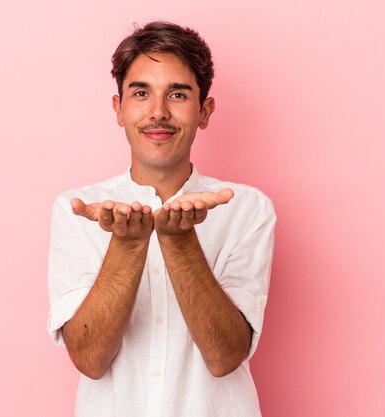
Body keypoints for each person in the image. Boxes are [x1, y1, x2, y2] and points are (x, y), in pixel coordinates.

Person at [47, 21, 276, 417]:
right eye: (141, 93)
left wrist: (180, 241)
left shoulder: (248, 209)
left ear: (204, 111)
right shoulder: (76, 210)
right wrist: (128, 245)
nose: (158, 112)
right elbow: (89, 360)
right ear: (119, 109)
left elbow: (224, 357)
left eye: (177, 93)